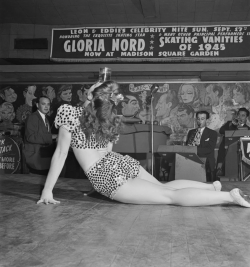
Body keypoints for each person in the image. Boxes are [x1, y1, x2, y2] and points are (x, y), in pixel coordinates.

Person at [37, 81, 250, 208]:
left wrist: (47, 191)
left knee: (169, 197)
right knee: (162, 187)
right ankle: (211, 186)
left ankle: (228, 197)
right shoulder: (109, 120)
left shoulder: (70, 114)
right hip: (119, 163)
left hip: (104, 175)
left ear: (89, 95)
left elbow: (61, 154)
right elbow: (107, 153)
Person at [23, 96, 57, 174]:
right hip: (36, 158)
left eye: (48, 104)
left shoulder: (45, 118)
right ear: (37, 105)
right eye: (43, 104)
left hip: (44, 156)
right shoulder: (33, 117)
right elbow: (30, 137)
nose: (46, 106)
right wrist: (52, 136)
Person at [186, 111, 218, 182]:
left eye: (202, 119)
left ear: (207, 120)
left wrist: (194, 150)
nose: (200, 121)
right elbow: (187, 146)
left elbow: (209, 149)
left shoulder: (212, 133)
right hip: (191, 161)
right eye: (198, 119)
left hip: (206, 163)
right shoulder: (191, 132)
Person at [217, 108, 250, 176]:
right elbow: (221, 131)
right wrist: (232, 124)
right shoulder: (230, 124)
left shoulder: (248, 129)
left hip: (241, 152)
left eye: (243, 115)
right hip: (227, 150)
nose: (240, 117)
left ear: (246, 117)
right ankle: (220, 169)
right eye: (239, 115)